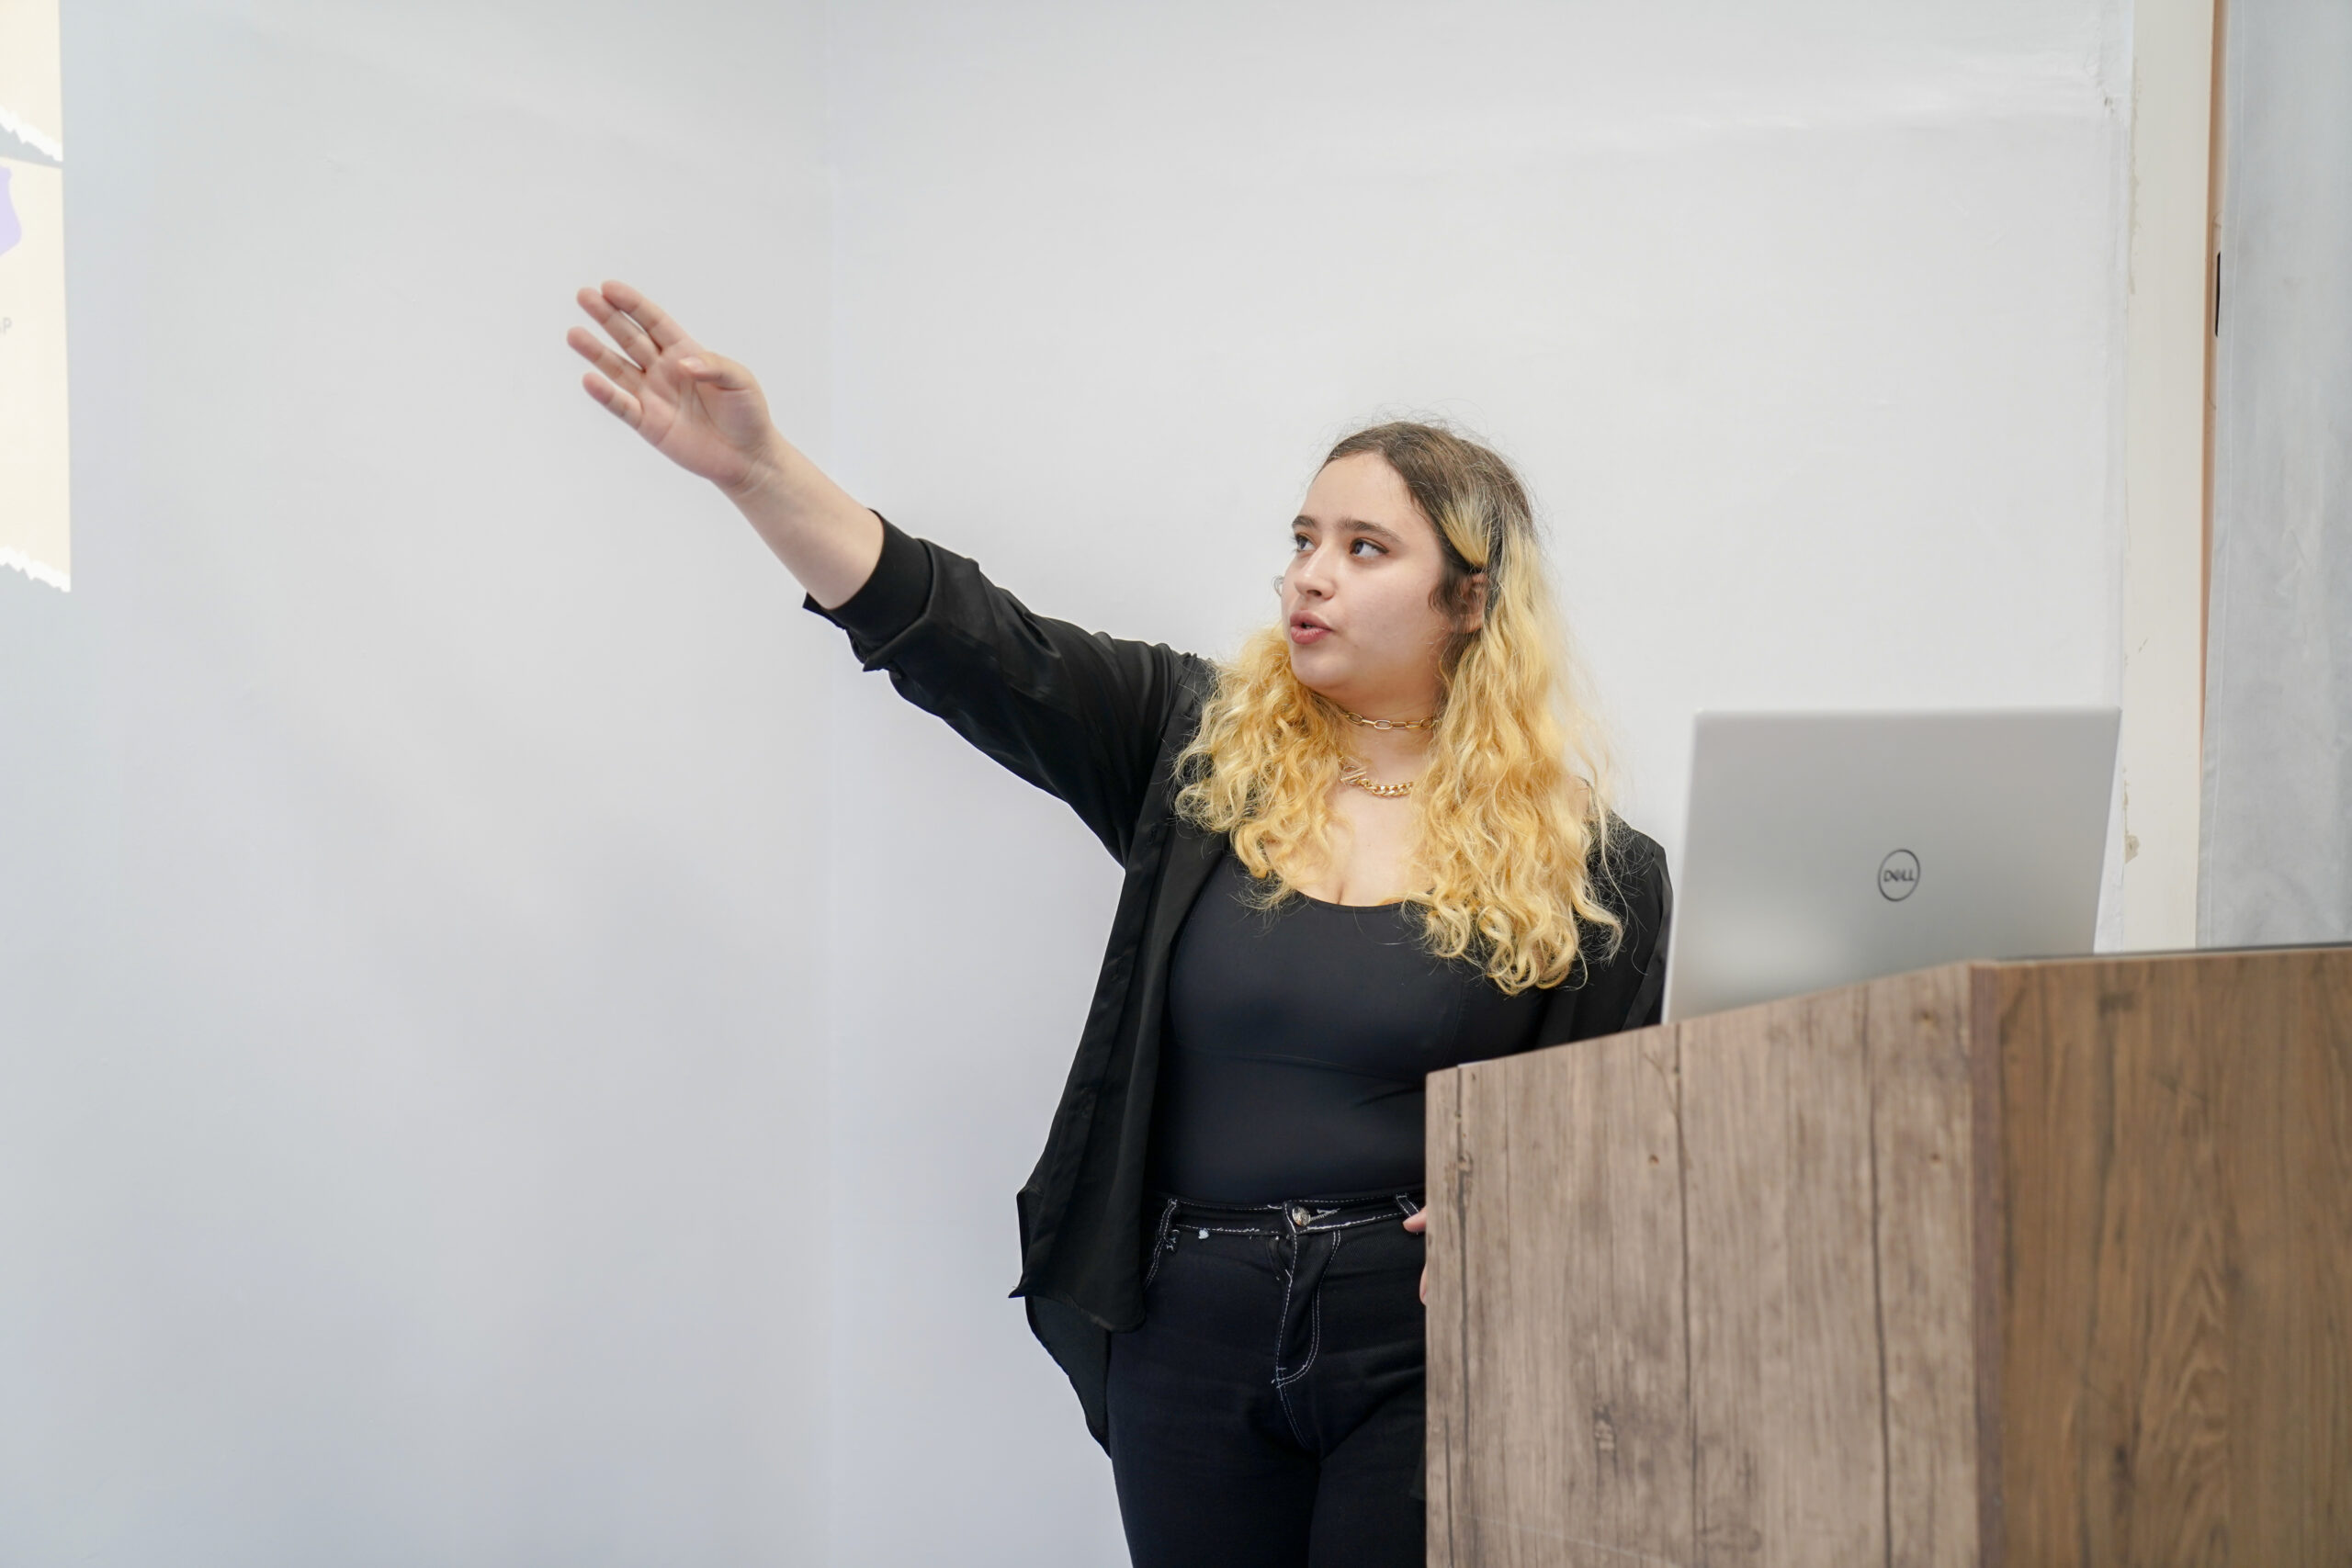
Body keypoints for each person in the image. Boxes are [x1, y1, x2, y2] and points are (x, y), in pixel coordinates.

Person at [566, 280, 1672, 1568]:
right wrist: (758, 473)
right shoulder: (1197, 752)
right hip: (1186, 1324)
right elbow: (975, 640)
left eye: (1367, 550)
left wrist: (1523, 1211)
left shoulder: (1590, 871)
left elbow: (1607, 1153)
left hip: (1418, 1342)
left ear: (1470, 604)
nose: (1310, 574)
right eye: (1306, 537)